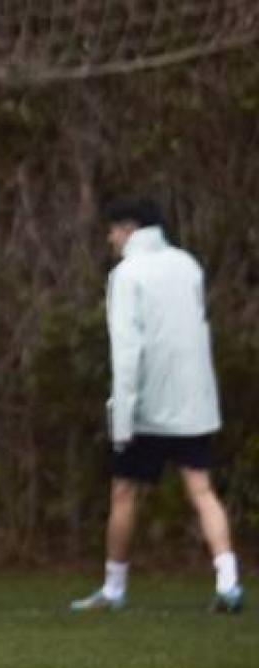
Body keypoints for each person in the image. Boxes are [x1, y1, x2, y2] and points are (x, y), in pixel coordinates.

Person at [71, 197, 242, 614]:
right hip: (193, 403)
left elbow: (127, 351)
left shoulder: (127, 274)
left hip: (147, 407)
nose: (110, 239)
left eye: (113, 231)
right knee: (201, 489)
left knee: (124, 492)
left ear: (128, 229)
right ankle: (229, 581)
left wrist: (123, 419)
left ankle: (113, 589)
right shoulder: (187, 264)